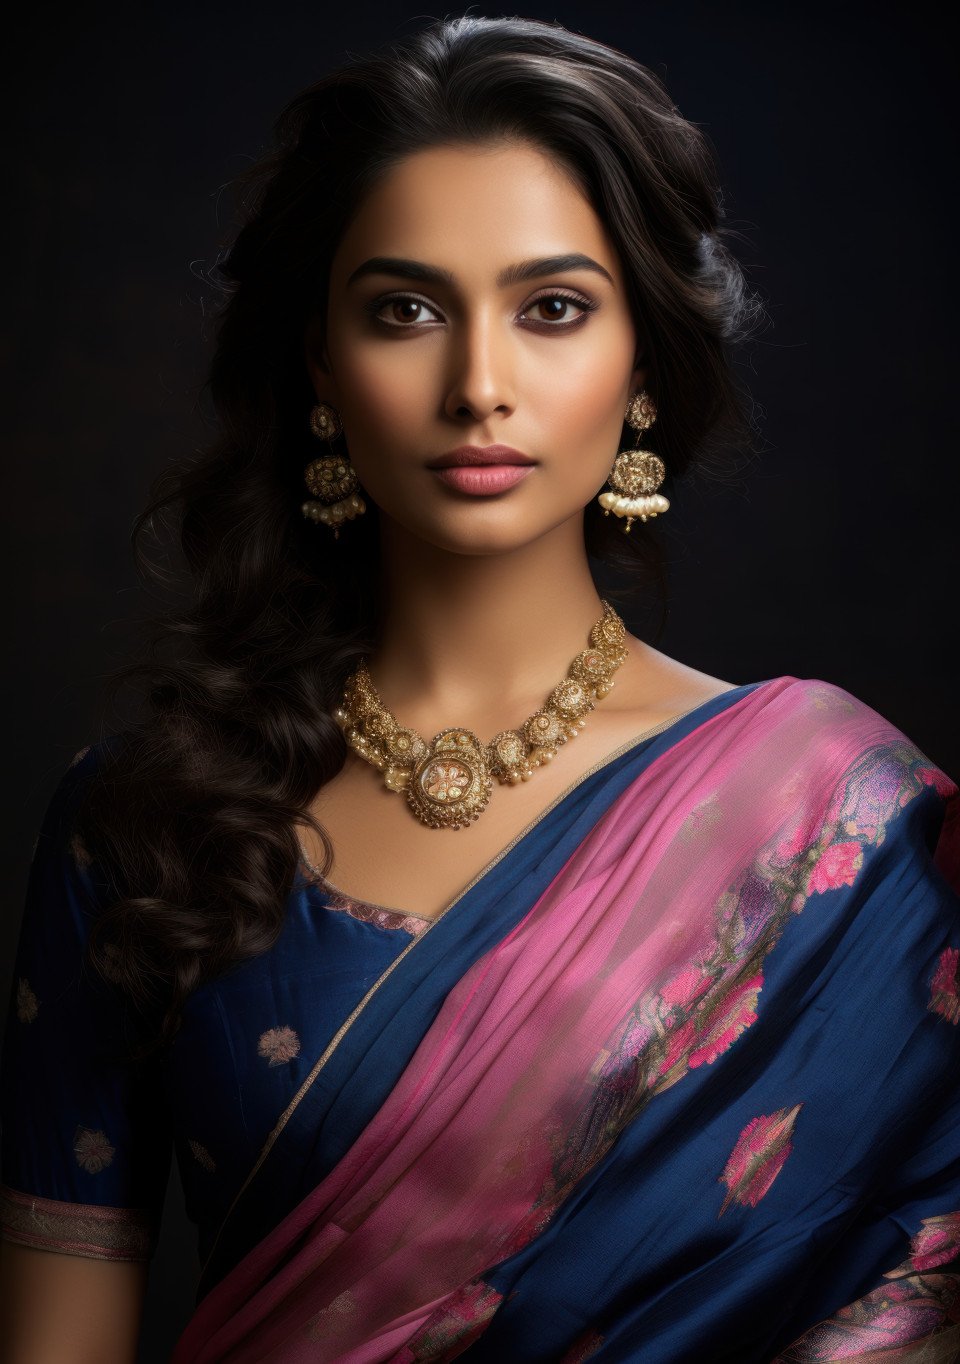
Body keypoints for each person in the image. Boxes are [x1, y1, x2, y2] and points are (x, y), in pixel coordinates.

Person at [2, 13, 958, 1363]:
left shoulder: (846, 823)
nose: (479, 385)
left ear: (641, 365)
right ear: (323, 370)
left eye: (553, 309)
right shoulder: (146, 825)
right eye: (406, 312)